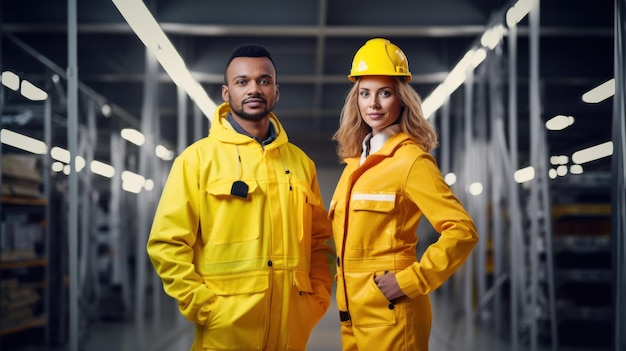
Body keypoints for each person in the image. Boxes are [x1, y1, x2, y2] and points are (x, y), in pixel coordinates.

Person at [147, 44, 335, 351]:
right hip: (226, 334)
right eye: (242, 81)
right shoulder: (197, 161)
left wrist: (316, 301)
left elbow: (320, 244)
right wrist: (205, 309)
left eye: (263, 81)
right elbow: (166, 245)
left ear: (276, 91)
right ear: (226, 92)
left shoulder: (301, 164)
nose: (254, 89)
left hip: (290, 334)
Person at [329, 38, 479, 350]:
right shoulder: (353, 167)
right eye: (365, 93)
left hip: (393, 313)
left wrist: (411, 281)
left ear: (401, 99)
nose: (373, 103)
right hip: (351, 314)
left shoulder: (411, 161)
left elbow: (462, 231)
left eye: (385, 93)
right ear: (355, 100)